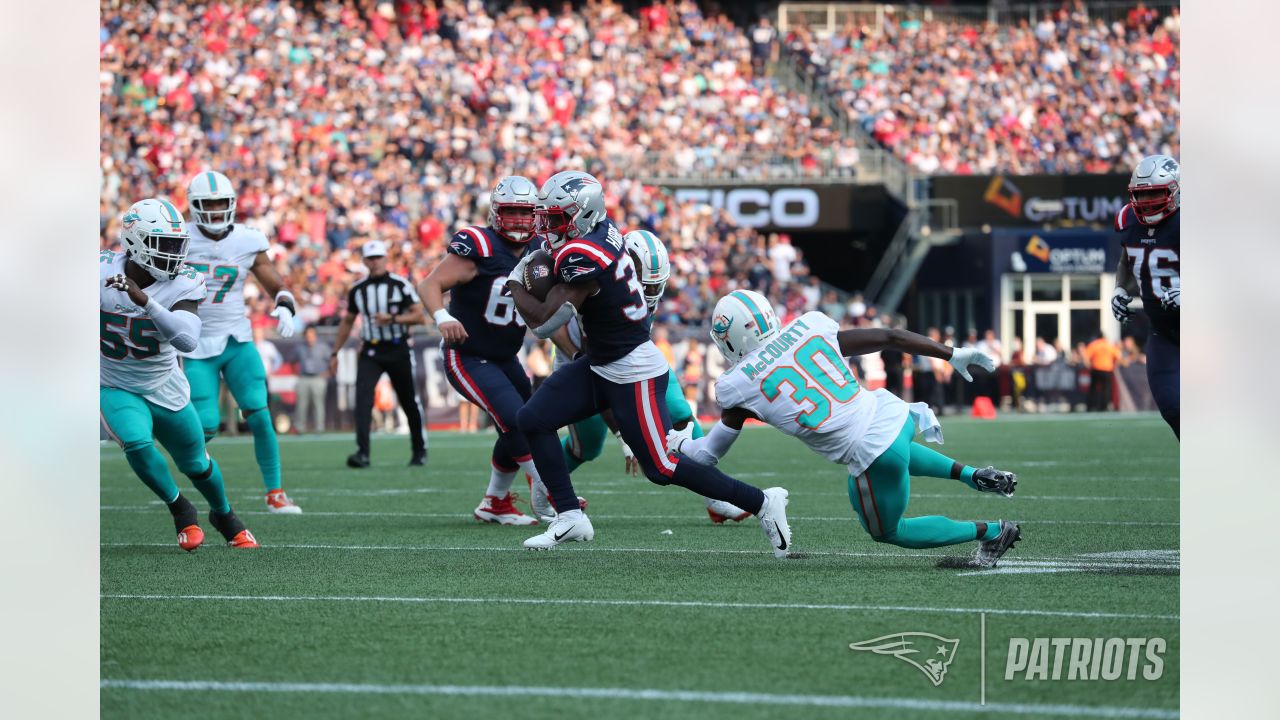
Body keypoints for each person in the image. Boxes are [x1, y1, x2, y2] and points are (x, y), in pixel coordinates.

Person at [507, 171, 791, 554]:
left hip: (631, 370)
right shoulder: (601, 231)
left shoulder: (585, 256)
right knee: (532, 419)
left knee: (661, 467)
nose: (547, 226)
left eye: (557, 218)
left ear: (583, 214)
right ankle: (570, 516)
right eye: (548, 216)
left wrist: (514, 282)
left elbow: (543, 324)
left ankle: (761, 502)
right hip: (601, 363)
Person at [672, 292, 1021, 567]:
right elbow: (891, 336)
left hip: (871, 452)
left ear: (728, 339)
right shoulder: (808, 325)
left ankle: (992, 532)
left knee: (887, 530)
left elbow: (706, 454)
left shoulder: (737, 385)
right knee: (889, 459)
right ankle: (974, 475)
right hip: (893, 416)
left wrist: (676, 444)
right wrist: (951, 353)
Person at [531, 230, 751, 525]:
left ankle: (716, 497)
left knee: (682, 414)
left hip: (635, 359)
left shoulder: (640, 288)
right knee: (587, 447)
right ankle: (544, 485)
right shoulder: (591, 278)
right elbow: (574, 343)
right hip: (585, 362)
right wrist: (623, 436)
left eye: (652, 283)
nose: (647, 290)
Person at [100, 198, 258, 550]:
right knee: (138, 443)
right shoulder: (98, 271)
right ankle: (180, 508)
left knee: (196, 462)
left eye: (176, 244)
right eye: (163, 244)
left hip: (163, 385)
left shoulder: (183, 282)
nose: (172, 253)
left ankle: (224, 514)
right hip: (115, 384)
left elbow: (187, 339)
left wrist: (145, 301)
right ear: (134, 241)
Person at [419, 176, 545, 525]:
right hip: (468, 354)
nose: (520, 220)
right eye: (512, 212)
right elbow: (430, 284)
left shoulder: (541, 248)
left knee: (525, 421)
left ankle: (495, 502)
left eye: (526, 212)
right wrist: (442, 316)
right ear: (495, 212)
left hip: (507, 357)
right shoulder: (479, 244)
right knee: (515, 417)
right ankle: (548, 485)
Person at [182, 170, 302, 513]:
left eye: (222, 204)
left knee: (260, 414)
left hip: (237, 338)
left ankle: (275, 492)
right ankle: (195, 484)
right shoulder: (180, 237)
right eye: (209, 204)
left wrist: (284, 303)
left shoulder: (247, 239)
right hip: (195, 343)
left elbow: (272, 278)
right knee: (204, 425)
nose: (217, 211)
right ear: (195, 206)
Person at [330, 240, 428, 467]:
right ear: (364, 261)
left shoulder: (400, 285)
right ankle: (362, 453)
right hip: (371, 349)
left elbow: (419, 316)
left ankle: (419, 450)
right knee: (363, 400)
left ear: (386, 259)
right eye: (370, 259)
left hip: (397, 347)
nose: (374, 263)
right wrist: (335, 352)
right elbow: (347, 321)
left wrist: (393, 319)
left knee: (408, 400)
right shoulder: (358, 289)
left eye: (378, 258)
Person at [1111, 155, 1180, 438]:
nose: (1148, 201)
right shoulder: (1128, 220)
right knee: (1173, 408)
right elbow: (1128, 261)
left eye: (1155, 192)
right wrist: (1119, 288)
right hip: (1164, 333)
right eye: (1141, 194)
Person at [293, 326, 331, 433]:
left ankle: (319, 427)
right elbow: (292, 361)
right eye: (307, 335)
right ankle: (300, 427)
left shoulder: (323, 347)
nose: (309, 337)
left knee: (318, 404)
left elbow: (332, 361)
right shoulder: (300, 348)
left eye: (311, 335)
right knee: (301, 404)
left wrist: (327, 373)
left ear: (315, 336)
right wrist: (296, 373)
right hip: (304, 377)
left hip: (318, 378)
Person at [1083, 334, 1121, 412]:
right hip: (1107, 370)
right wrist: (1114, 365)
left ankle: (1091, 406)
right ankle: (1104, 406)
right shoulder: (1109, 345)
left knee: (1093, 389)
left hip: (1096, 369)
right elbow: (1118, 356)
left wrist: (1088, 365)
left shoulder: (1094, 345)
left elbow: (1086, 356)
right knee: (1106, 390)